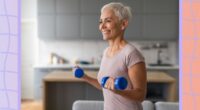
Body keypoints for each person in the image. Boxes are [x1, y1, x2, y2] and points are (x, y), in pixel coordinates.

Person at [79, 2, 147, 110]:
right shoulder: (106, 52)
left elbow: (140, 95)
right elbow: (105, 86)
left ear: (123, 24)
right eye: (101, 21)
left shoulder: (131, 53)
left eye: (108, 21)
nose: (102, 26)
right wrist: (84, 77)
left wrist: (118, 91)